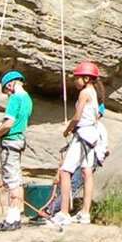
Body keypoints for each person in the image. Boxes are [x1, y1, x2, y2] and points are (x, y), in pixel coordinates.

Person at [50, 60, 107, 229]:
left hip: (82, 135)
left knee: (66, 171)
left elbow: (77, 116)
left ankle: (64, 212)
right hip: (92, 136)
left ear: (87, 78)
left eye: (78, 77)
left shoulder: (84, 93)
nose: (75, 80)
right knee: (87, 172)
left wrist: (67, 130)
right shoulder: (94, 93)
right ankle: (85, 213)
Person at [0, 70, 32, 232]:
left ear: (10, 85)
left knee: (11, 181)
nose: (7, 95)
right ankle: (16, 216)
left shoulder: (14, 98)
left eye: (6, 91)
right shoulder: (27, 99)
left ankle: (11, 219)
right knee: (17, 180)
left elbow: (9, 123)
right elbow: (18, 122)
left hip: (10, 141)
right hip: (20, 139)